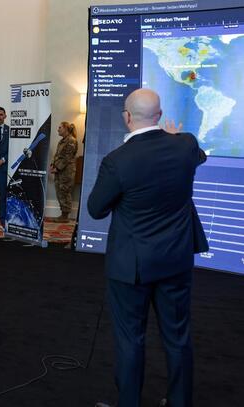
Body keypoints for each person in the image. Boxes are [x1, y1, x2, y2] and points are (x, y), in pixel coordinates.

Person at [88, 88, 208, 407]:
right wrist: (175, 136)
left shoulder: (117, 161)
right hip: (176, 261)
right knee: (178, 337)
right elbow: (199, 156)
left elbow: (95, 209)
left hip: (132, 266)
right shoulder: (186, 145)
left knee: (131, 339)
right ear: (159, 115)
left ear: (127, 117)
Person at [50, 121, 78, 223]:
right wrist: (53, 165)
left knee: (64, 192)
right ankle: (63, 215)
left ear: (66, 129)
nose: (58, 129)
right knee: (59, 192)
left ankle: (65, 216)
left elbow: (67, 158)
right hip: (59, 171)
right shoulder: (62, 141)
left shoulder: (71, 141)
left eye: (60, 127)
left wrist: (57, 168)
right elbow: (58, 155)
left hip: (66, 172)